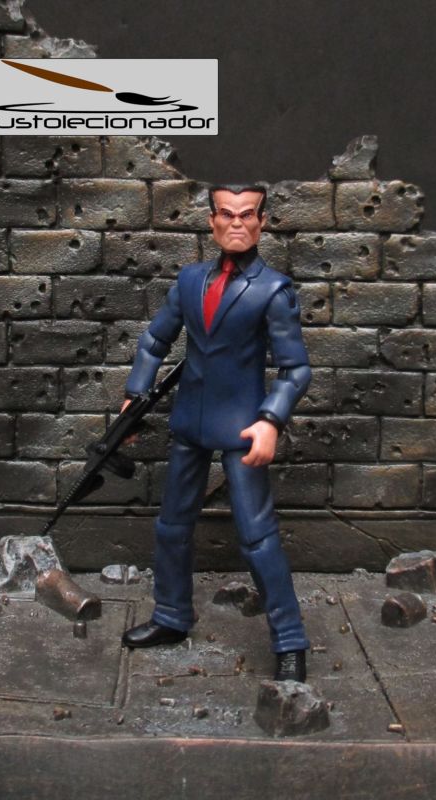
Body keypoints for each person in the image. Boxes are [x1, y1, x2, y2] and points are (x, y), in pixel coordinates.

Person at [120, 184, 311, 681]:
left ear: (262, 222)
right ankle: (170, 614)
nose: (237, 223)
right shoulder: (189, 281)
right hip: (189, 422)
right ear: (212, 221)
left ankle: (290, 640)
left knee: (257, 537)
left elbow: (295, 369)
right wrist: (136, 395)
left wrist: (270, 420)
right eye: (227, 214)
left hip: (242, 427)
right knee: (172, 526)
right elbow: (155, 340)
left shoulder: (274, 290)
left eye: (247, 215)